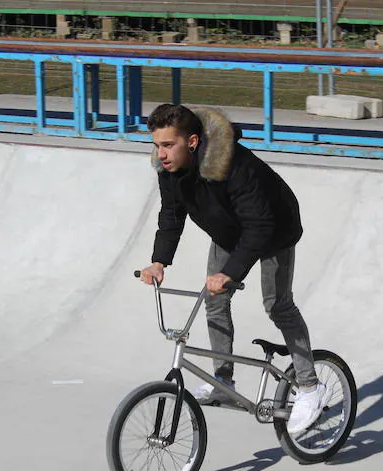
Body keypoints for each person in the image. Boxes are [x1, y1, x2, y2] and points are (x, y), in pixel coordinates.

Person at [138, 103, 329, 436]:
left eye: (168, 145)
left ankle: (311, 389)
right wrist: (158, 261)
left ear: (193, 141)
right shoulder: (167, 170)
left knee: (277, 305)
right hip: (228, 230)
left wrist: (231, 273)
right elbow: (171, 214)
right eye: (157, 145)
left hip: (274, 229)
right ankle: (223, 382)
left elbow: (259, 225)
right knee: (213, 300)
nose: (161, 154)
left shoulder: (234, 165)